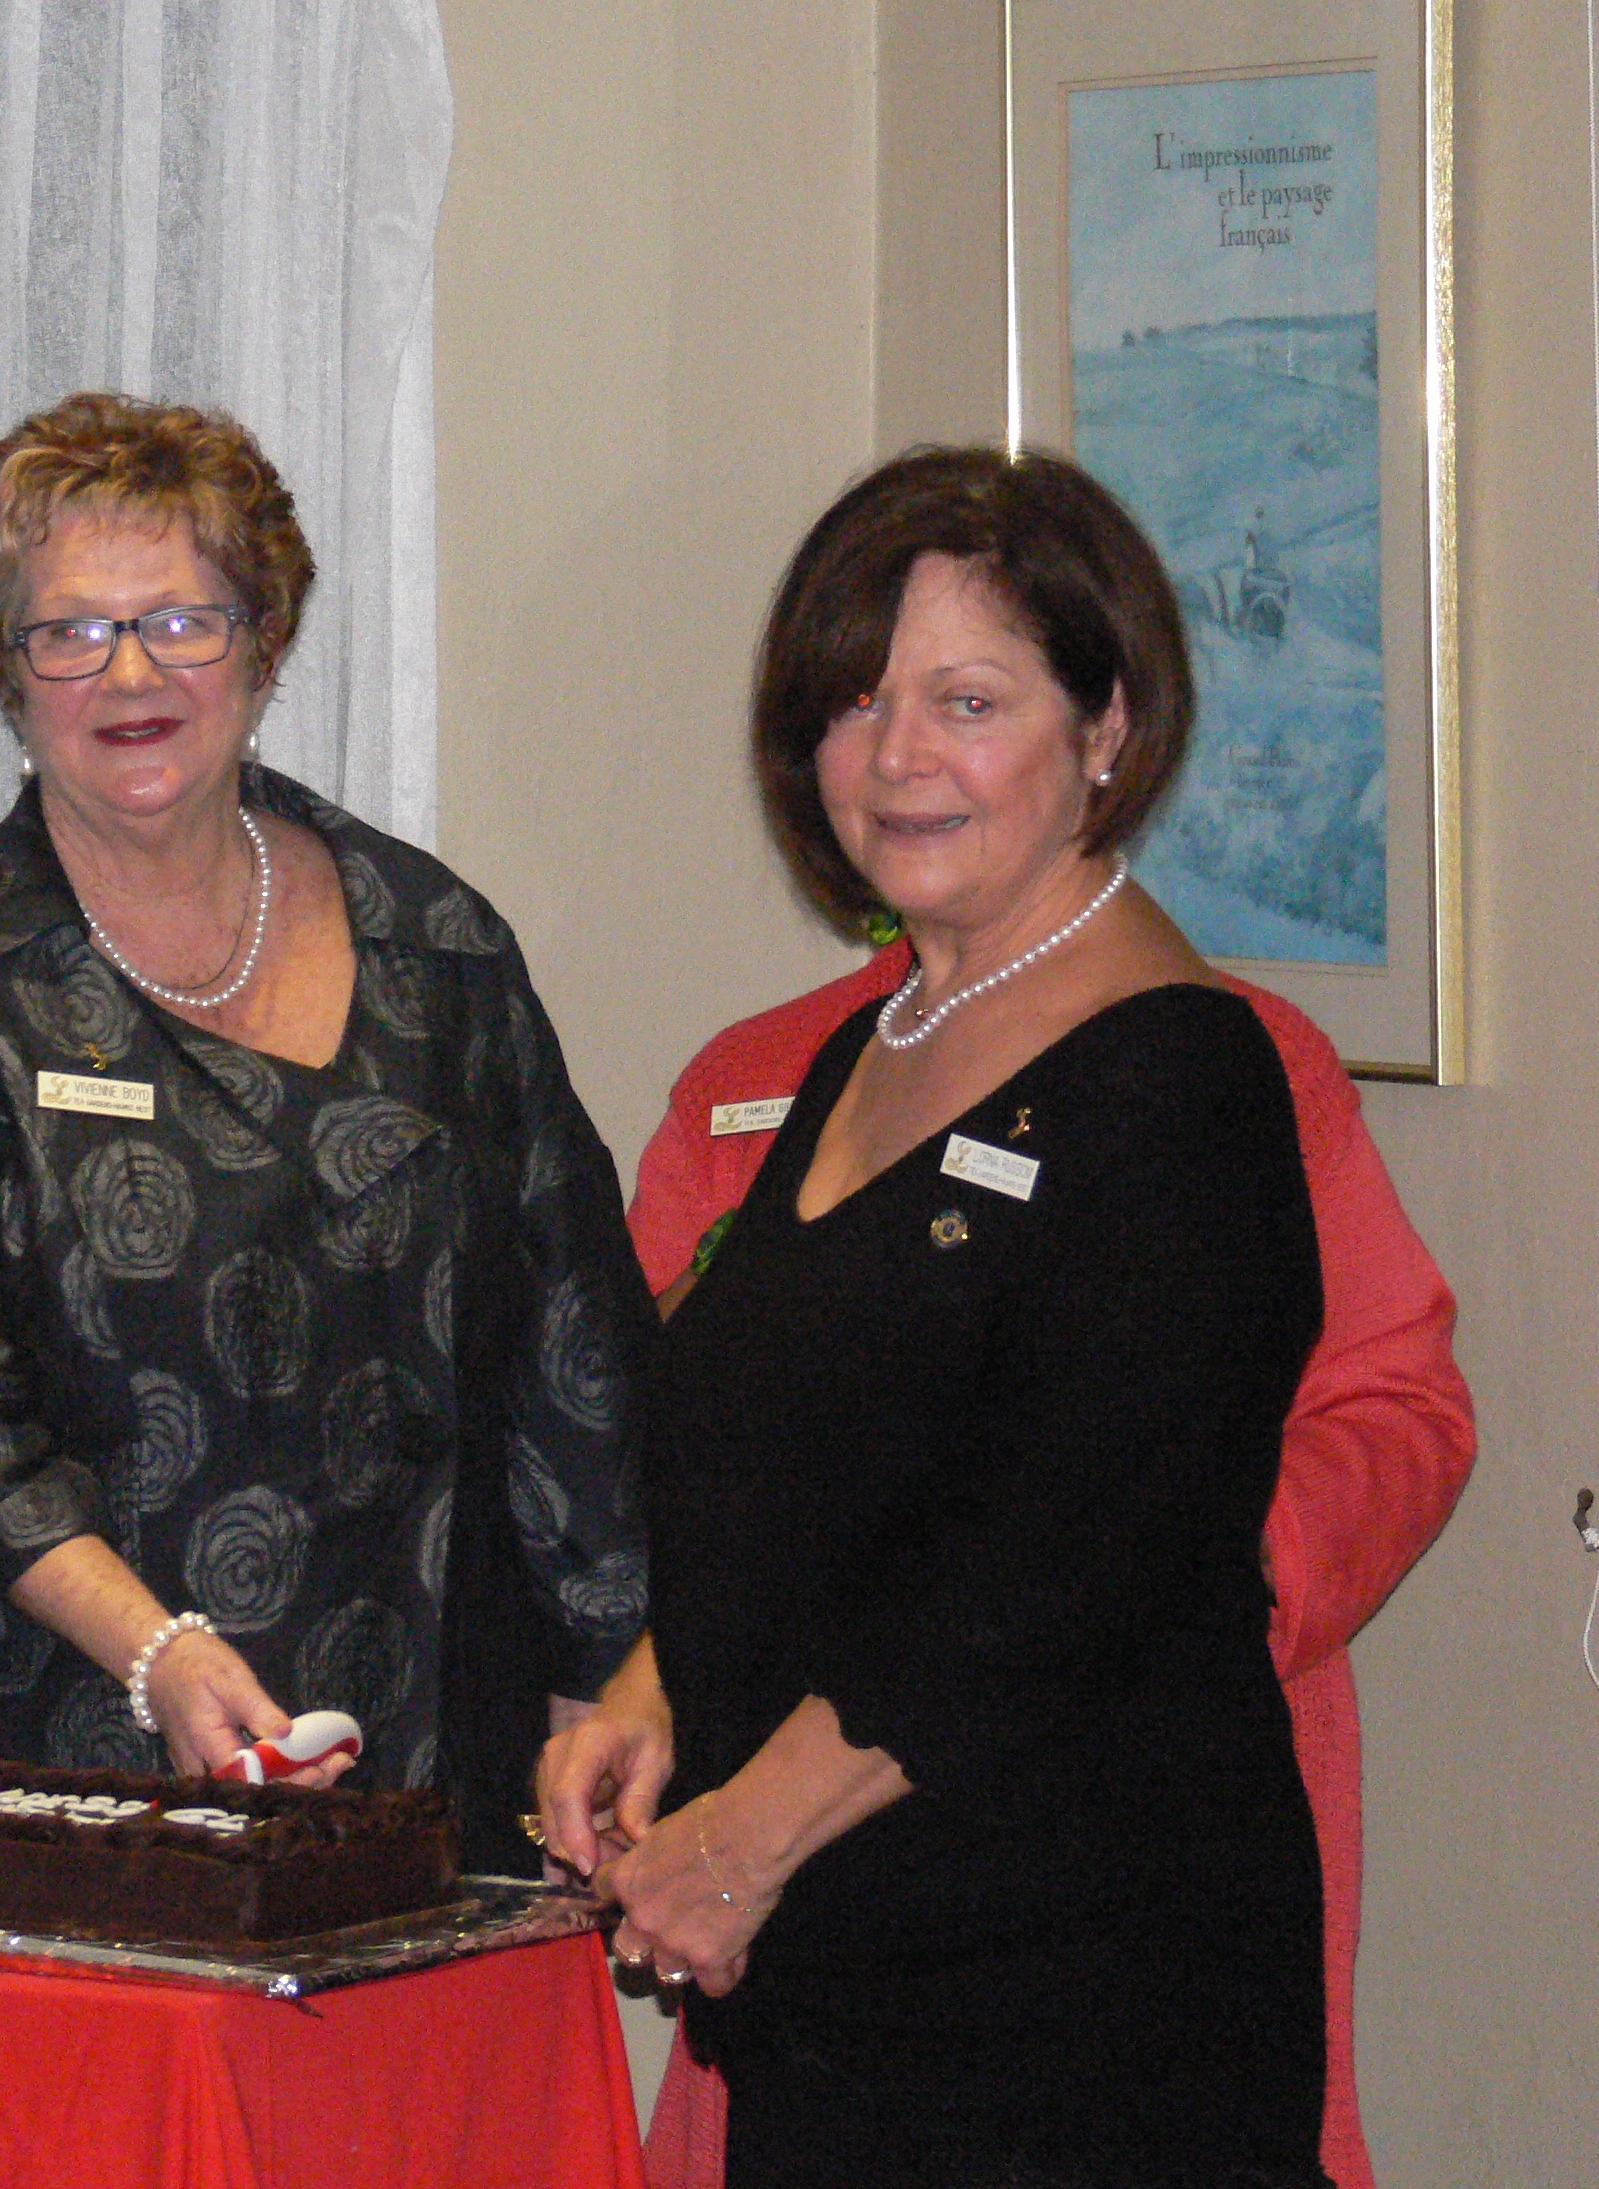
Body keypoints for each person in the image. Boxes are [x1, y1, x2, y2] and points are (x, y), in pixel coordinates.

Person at [540, 444, 1397, 2188]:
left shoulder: (1187, 1079)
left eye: (968, 700)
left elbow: (1049, 1572)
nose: (897, 756)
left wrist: (740, 1842)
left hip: (1077, 2014)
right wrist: (654, 1693)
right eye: (855, 701)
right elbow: (807, 1471)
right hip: (842, 1995)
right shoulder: (871, 1049)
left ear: (1106, 726)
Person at [0, 391, 649, 1872]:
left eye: (182, 621)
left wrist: (601, 1683)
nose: (130, 672)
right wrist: (153, 1648)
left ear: (263, 639)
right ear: (7, 666)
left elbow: (576, 1340)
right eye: (70, 631)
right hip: (59, 1773)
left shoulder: (435, 947)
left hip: (429, 1752)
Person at [623, 938, 1470, 2189]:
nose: (912, 808)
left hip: (1097, 1874)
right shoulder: (776, 1067)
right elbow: (663, 1438)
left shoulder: (1215, 1058)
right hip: (804, 1904)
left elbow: (1394, 1405)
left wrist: (1188, 1565)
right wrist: (654, 1680)